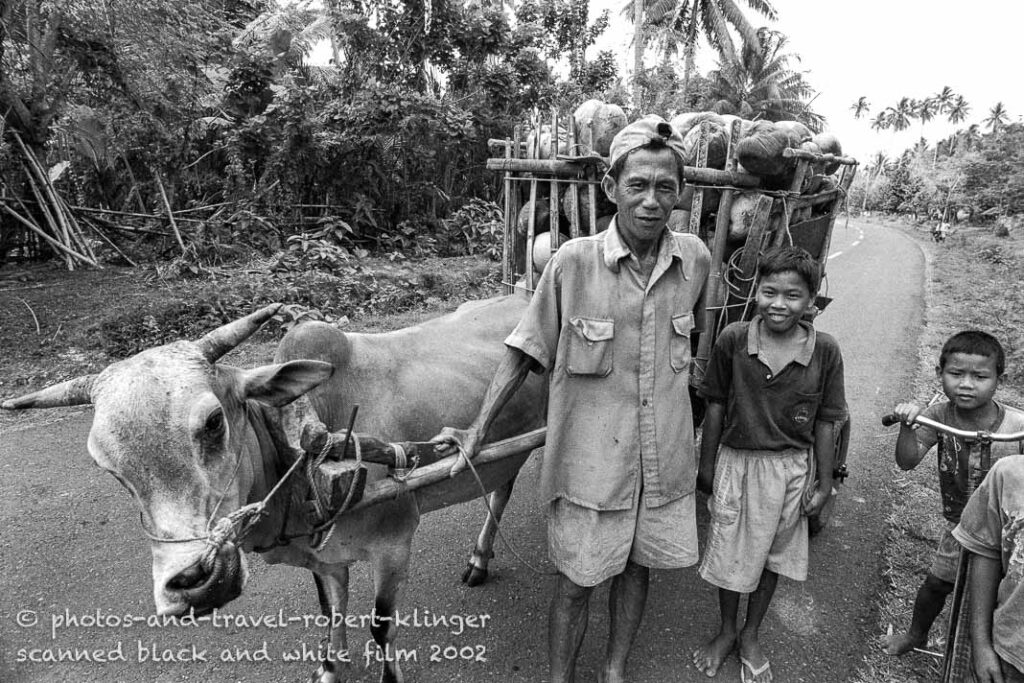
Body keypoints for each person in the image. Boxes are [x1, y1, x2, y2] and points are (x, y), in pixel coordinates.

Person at [433, 115, 711, 683]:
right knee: (577, 583)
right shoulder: (571, 264)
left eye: (665, 186)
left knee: (638, 572)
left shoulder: (697, 261)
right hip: (591, 467)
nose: (652, 201)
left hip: (662, 466)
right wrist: (478, 429)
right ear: (612, 190)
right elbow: (524, 351)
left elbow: (702, 344)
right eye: (638, 185)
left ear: (680, 193)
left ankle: (614, 669)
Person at [692, 246, 847, 683]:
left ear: (812, 302)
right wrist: (707, 466)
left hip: (792, 470)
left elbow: (827, 422)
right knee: (730, 555)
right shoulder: (734, 340)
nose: (779, 304)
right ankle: (726, 630)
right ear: (755, 293)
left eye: (793, 296)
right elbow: (716, 405)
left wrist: (824, 483)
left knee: (771, 558)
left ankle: (751, 633)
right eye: (769, 292)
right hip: (737, 464)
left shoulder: (825, 351)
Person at [885, 330, 1024, 656]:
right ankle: (915, 635)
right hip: (959, 526)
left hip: (1007, 529)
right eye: (956, 374)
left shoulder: (1017, 425)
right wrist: (909, 425)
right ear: (940, 374)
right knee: (936, 585)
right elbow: (907, 462)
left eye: (979, 376)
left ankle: (992, 647)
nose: (966, 384)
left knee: (1001, 590)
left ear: (998, 380)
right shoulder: (939, 417)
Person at [952, 452, 1024, 683]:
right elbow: (986, 554)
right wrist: (981, 643)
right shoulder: (1009, 474)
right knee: (936, 583)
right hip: (1009, 651)